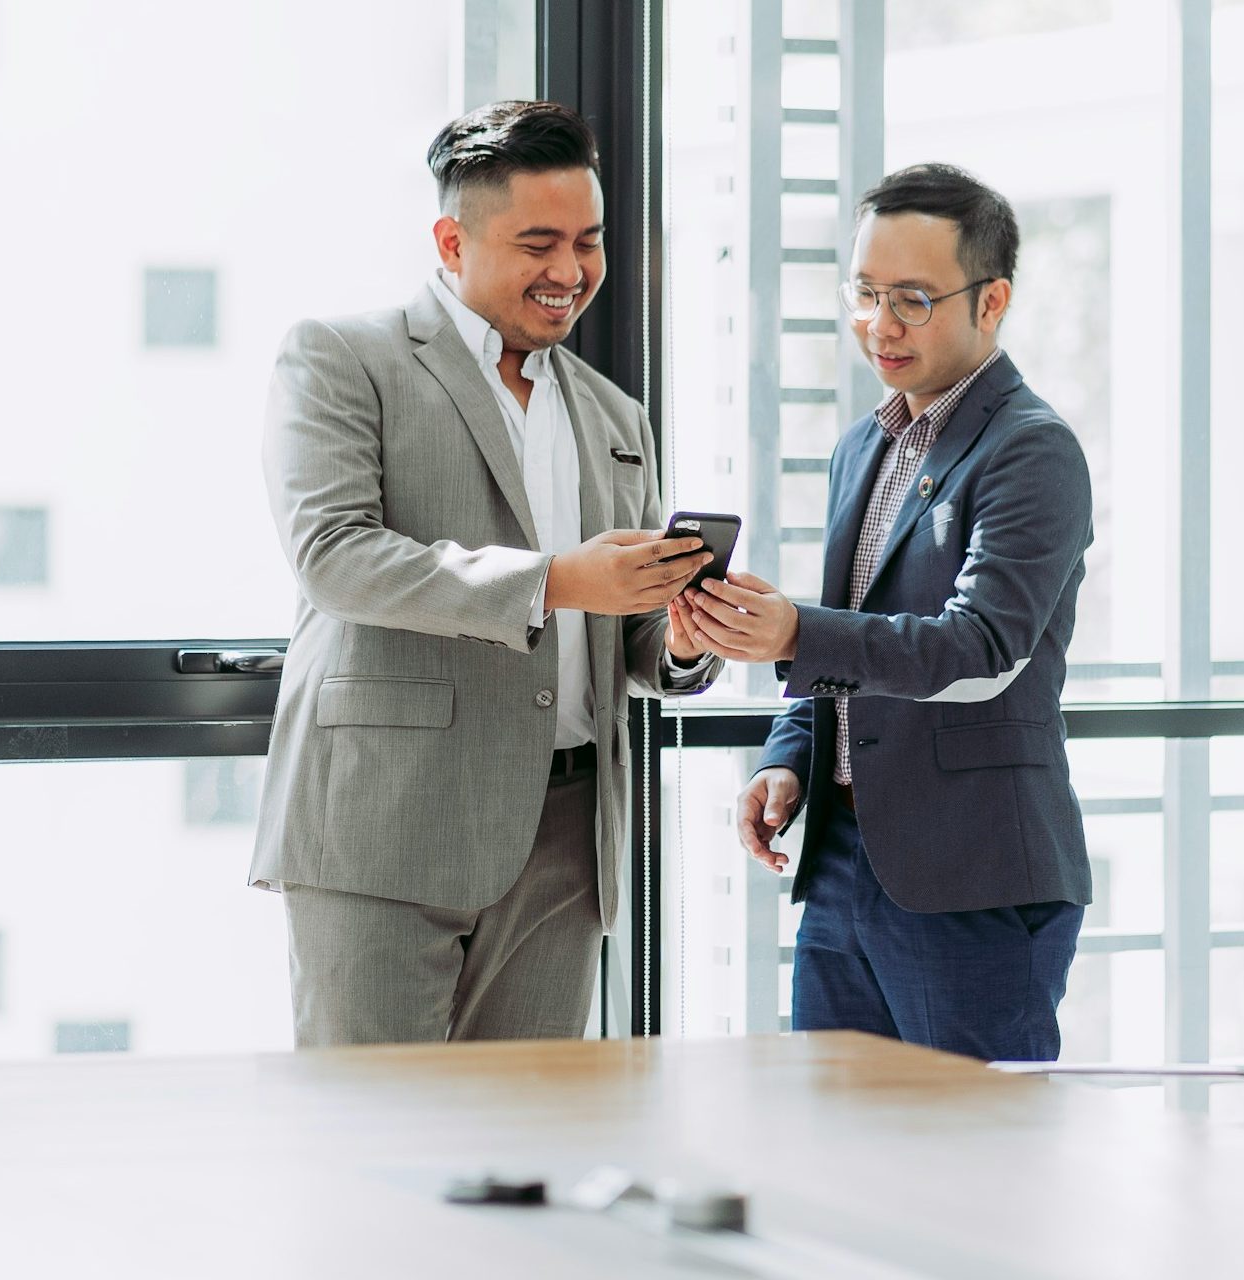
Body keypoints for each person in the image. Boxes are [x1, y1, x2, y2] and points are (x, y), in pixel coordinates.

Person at [250, 101, 721, 1047]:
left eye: (588, 242)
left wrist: (674, 638)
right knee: (376, 1140)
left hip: (570, 840)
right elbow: (335, 558)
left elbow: (615, 631)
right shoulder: (344, 359)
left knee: (528, 1151)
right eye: (537, 242)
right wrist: (551, 580)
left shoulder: (616, 416)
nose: (571, 271)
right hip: (388, 820)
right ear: (451, 241)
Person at [677, 163, 1093, 1061]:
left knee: (976, 1170)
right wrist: (790, 758)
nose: (879, 325)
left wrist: (792, 631)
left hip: (970, 877)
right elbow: (851, 637)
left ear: (992, 302)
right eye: (864, 294)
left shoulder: (1032, 450)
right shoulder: (864, 445)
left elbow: (981, 648)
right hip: (841, 865)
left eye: (911, 298)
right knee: (841, 1158)